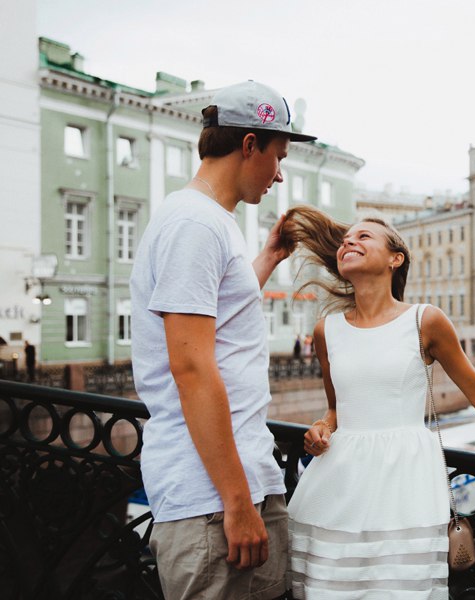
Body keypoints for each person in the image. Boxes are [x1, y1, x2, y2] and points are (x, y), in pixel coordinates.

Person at [278, 205, 475, 599]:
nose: (349, 242)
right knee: (332, 587)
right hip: (338, 482)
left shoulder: (424, 321)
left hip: (403, 479)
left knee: (397, 589)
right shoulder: (325, 330)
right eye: (346, 240)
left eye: (364, 236)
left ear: (395, 259)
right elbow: (336, 409)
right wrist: (320, 429)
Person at [129, 80, 316, 600]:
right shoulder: (195, 224)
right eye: (279, 157)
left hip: (231, 484)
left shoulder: (207, 219)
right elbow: (191, 368)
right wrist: (236, 501)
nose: (280, 174)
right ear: (250, 144)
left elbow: (218, 314)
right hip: (212, 499)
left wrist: (268, 258)